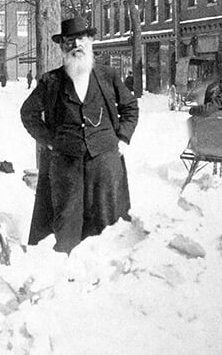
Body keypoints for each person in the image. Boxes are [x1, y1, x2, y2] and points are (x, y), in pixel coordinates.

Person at [20, 16, 139, 253]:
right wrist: (50, 142)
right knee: (66, 224)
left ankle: (107, 279)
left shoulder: (108, 76)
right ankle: (66, 279)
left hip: (104, 162)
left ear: (91, 41)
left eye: (81, 39)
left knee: (107, 225)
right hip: (66, 165)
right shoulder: (51, 81)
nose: (76, 45)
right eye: (70, 41)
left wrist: (123, 137)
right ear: (62, 46)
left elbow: (130, 107)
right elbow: (28, 114)